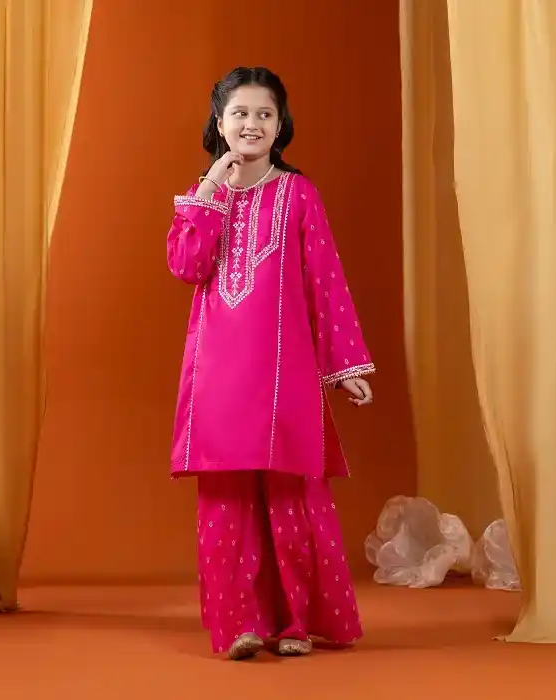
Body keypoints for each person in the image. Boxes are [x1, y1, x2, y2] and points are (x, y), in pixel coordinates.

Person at [166, 66, 375, 660]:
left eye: (265, 114)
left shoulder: (298, 194)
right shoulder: (203, 195)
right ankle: (239, 625)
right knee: (226, 500)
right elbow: (186, 266)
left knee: (291, 499)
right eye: (240, 114)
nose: (252, 124)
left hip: (286, 373)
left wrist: (347, 365)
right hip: (217, 373)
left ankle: (295, 623)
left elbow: (324, 280)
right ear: (219, 123)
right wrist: (210, 188)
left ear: (281, 126)